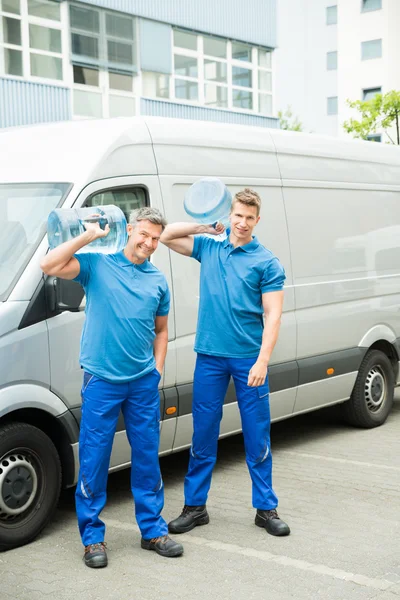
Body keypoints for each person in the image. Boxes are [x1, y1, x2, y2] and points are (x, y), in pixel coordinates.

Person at [40, 207, 183, 568]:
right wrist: (91, 235)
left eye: (155, 239)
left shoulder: (157, 281)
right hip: (102, 380)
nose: (149, 244)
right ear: (131, 229)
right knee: (94, 458)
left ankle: (152, 530)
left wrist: (157, 369)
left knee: (148, 458)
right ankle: (92, 539)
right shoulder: (97, 265)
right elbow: (49, 265)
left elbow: (162, 330)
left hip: (142, 383)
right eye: (144, 235)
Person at [161, 188, 290, 538]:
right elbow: (166, 235)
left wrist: (263, 361)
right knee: (203, 432)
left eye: (249, 218)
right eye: (238, 216)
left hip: (249, 359)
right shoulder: (210, 247)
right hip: (210, 358)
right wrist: (206, 227)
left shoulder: (266, 261)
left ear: (257, 220)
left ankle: (266, 509)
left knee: (256, 435)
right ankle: (195, 507)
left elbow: (273, 315)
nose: (243, 223)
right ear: (229, 215)